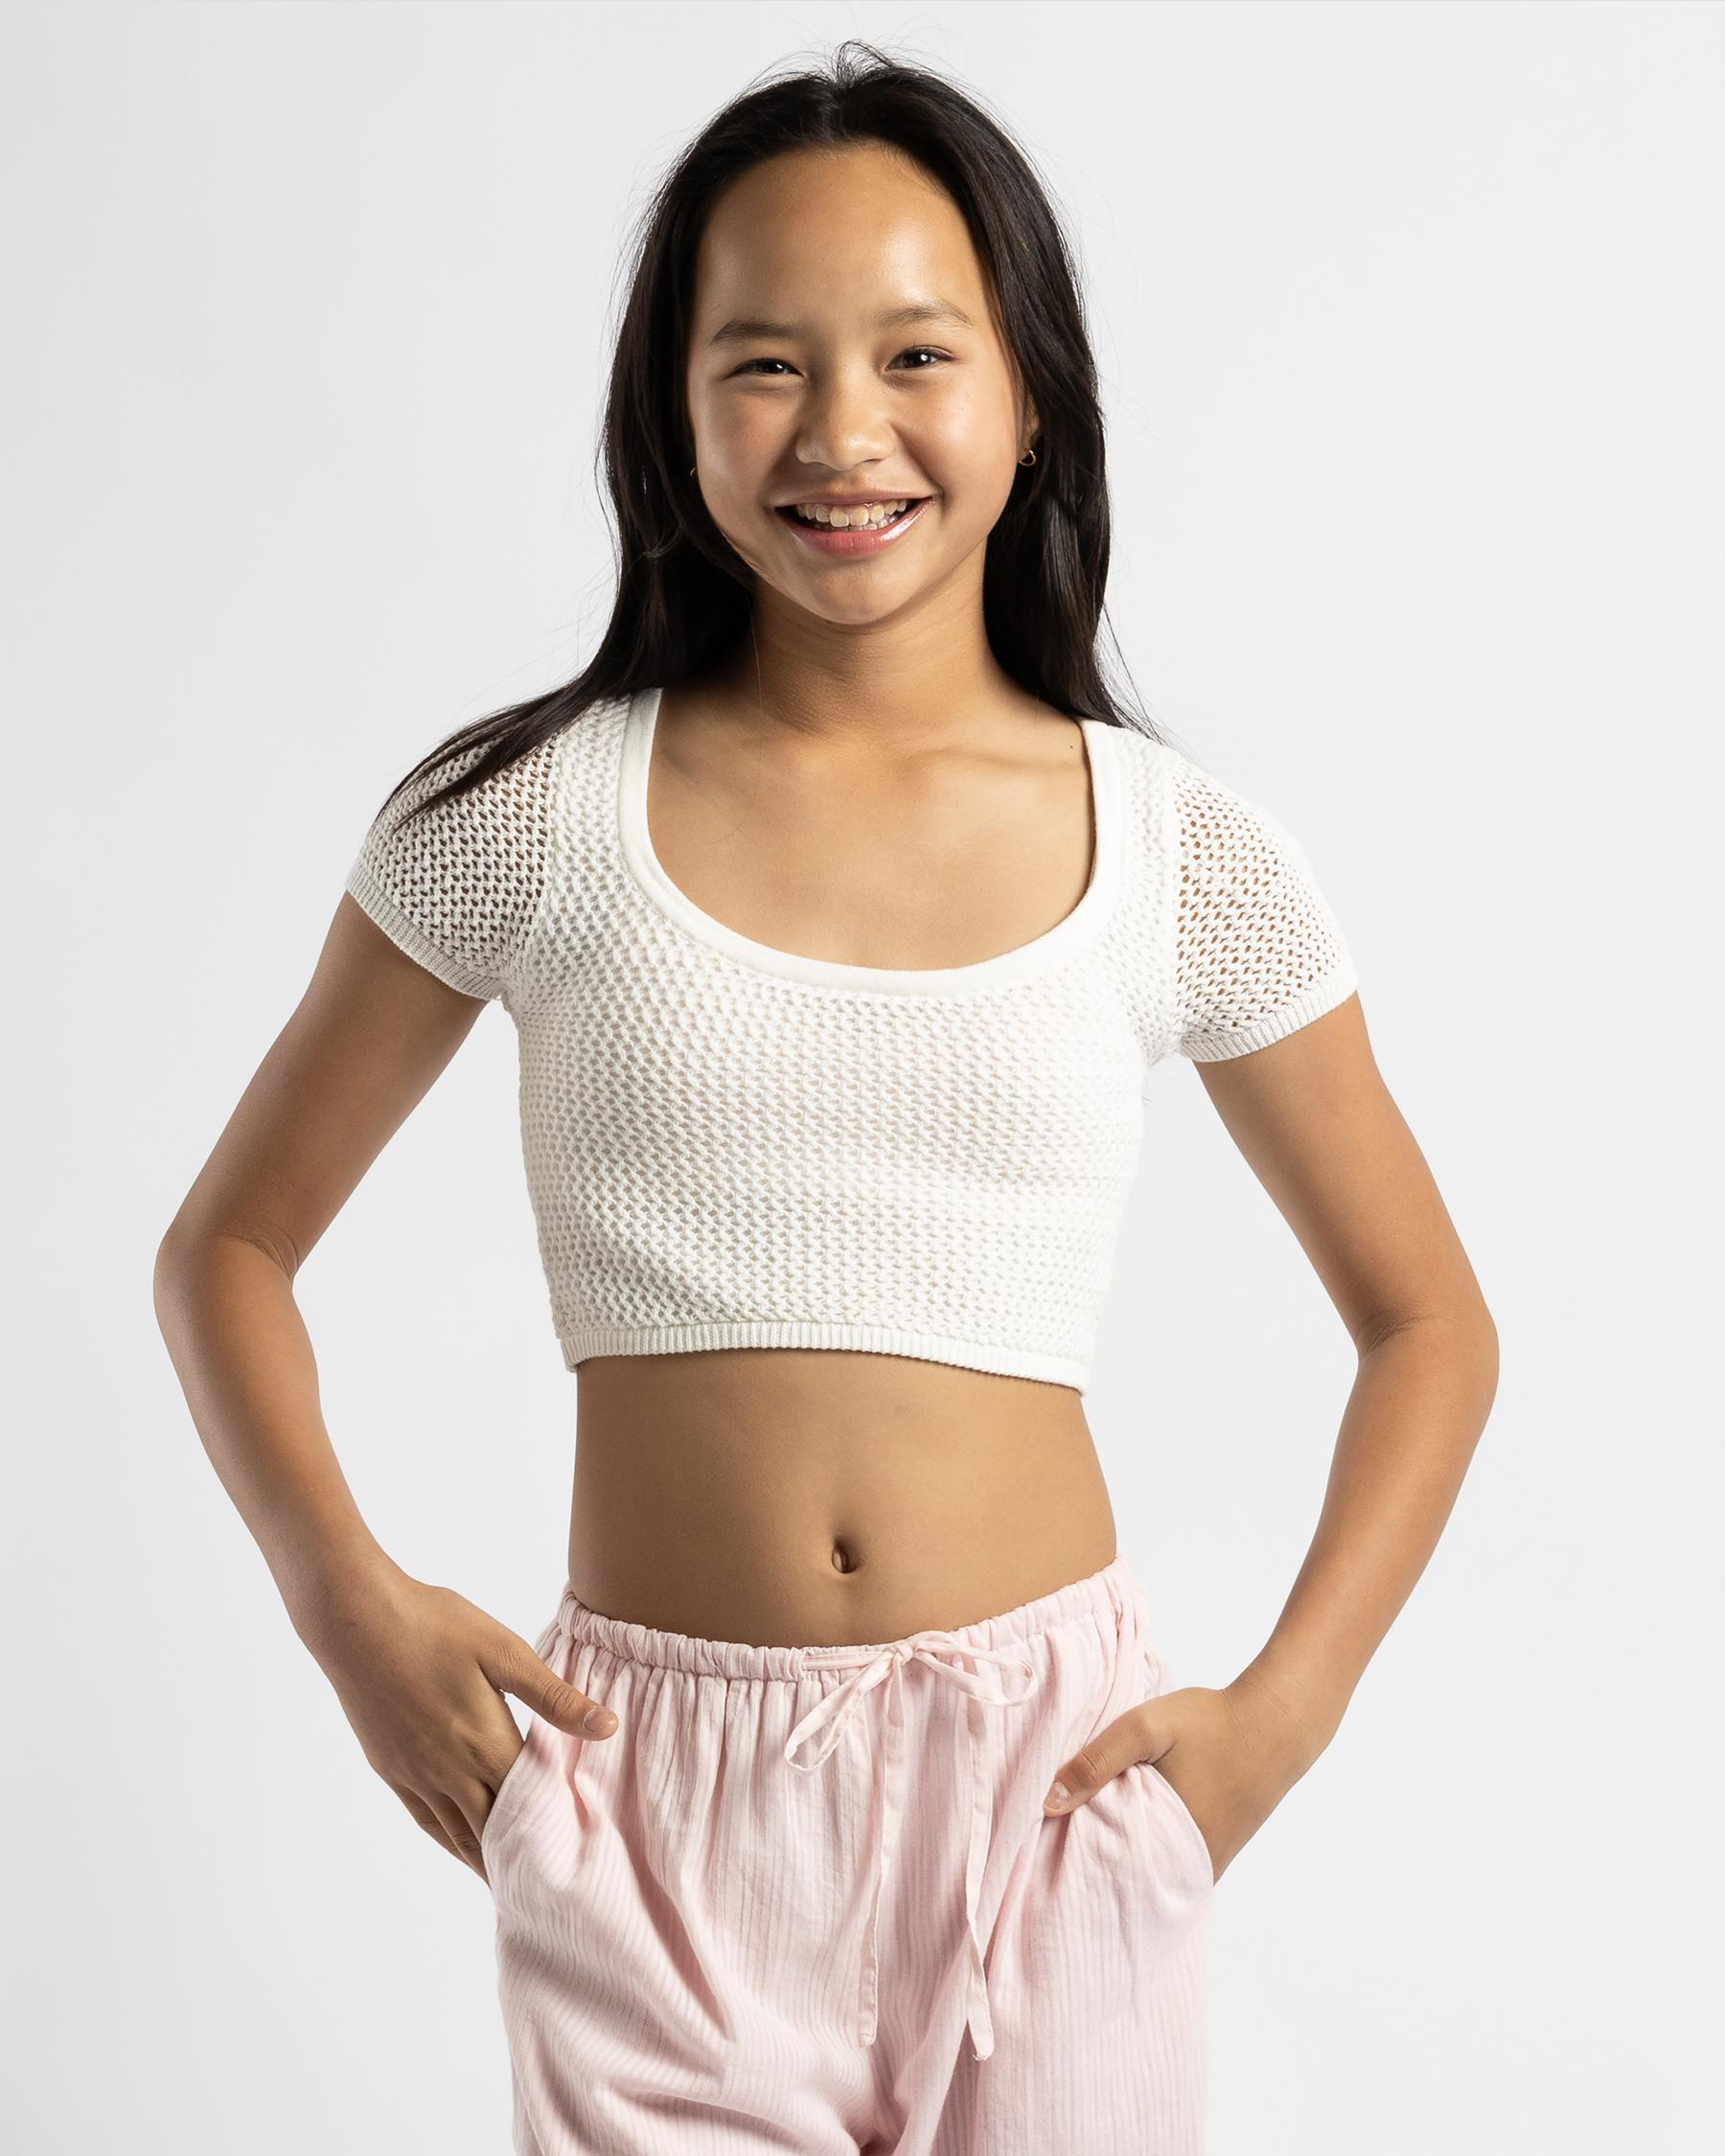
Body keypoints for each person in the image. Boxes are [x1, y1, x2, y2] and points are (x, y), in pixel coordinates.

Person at [153, 41, 1498, 2156]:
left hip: (1051, 1805)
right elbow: (228, 1249)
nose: (842, 431)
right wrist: (343, 1603)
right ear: (671, 411)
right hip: (645, 1811)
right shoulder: (525, 821)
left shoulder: (1177, 855)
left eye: (916, 355)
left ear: (1030, 399)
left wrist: (1280, 1719)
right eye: (763, 364)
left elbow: (1429, 1322)